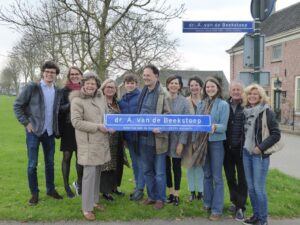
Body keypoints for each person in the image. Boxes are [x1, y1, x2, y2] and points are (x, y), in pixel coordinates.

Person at [13, 60, 63, 205]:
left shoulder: (57, 91)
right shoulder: (32, 88)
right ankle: (34, 194)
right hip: (33, 132)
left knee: (50, 163)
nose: (49, 74)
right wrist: (26, 123)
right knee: (32, 164)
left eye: (52, 72)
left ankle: (50, 190)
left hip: (49, 133)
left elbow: (58, 110)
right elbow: (17, 105)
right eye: (47, 72)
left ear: (56, 75)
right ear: (42, 73)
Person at [70, 72, 111, 221]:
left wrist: (110, 125)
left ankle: (94, 201)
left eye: (93, 83)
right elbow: (76, 122)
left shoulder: (100, 98)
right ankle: (86, 208)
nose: (90, 86)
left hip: (101, 142)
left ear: (97, 85)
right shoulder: (77, 101)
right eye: (87, 83)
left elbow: (106, 116)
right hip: (88, 143)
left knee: (97, 173)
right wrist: (98, 126)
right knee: (89, 175)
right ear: (83, 84)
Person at [242, 84, 281, 225]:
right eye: (250, 94)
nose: (252, 96)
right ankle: (256, 216)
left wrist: (260, 147)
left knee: (258, 188)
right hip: (246, 153)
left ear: (260, 96)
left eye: (255, 94)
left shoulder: (267, 112)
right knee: (251, 188)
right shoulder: (245, 111)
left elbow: (276, 134)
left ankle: (263, 220)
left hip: (259, 155)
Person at [193, 77, 229, 221]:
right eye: (207, 87)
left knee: (217, 177)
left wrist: (215, 127)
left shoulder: (223, 104)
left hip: (216, 144)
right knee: (206, 175)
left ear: (218, 88)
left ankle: (217, 209)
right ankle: (207, 203)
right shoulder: (201, 104)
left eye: (212, 86)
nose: (209, 89)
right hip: (202, 143)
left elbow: (224, 126)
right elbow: (197, 123)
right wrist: (195, 141)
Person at [137, 64, 171, 209]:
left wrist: (161, 127)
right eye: (144, 75)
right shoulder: (142, 92)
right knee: (147, 171)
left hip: (158, 140)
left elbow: (169, 116)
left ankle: (160, 199)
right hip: (143, 138)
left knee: (159, 173)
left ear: (156, 76)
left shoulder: (164, 93)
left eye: (148, 75)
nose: (146, 78)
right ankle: (151, 196)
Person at [223, 81, 248, 221]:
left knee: (243, 179)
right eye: (234, 89)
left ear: (242, 91)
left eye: (238, 89)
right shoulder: (224, 105)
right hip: (227, 148)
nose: (236, 92)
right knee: (230, 177)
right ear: (230, 91)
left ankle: (240, 207)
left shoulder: (246, 106)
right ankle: (234, 201)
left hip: (242, 149)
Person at [118, 73, 145, 201]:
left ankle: (140, 189)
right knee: (135, 163)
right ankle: (137, 187)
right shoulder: (122, 99)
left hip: (140, 136)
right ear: (124, 84)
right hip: (129, 138)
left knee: (141, 163)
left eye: (132, 83)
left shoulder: (141, 97)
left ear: (136, 84)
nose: (130, 85)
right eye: (128, 83)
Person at [165, 75, 190, 206]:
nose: (173, 85)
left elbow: (186, 123)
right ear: (168, 85)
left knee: (176, 167)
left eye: (176, 83)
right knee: (166, 167)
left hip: (177, 139)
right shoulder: (163, 99)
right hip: (164, 139)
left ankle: (176, 194)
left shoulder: (185, 102)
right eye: (171, 83)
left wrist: (182, 142)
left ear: (179, 86)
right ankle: (169, 192)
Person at [59, 66, 83, 198]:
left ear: (81, 75)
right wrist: (72, 103)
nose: (74, 76)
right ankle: (66, 186)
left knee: (81, 158)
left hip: (82, 127)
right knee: (67, 157)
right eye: (72, 74)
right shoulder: (64, 91)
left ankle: (79, 183)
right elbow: (60, 109)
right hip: (68, 127)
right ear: (69, 76)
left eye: (77, 74)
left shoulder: (85, 89)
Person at [100, 79, 125, 201]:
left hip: (117, 138)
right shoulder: (99, 102)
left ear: (116, 90)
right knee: (106, 164)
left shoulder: (118, 103)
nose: (110, 89)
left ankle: (114, 187)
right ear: (103, 89)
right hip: (105, 137)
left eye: (112, 87)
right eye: (107, 87)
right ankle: (106, 190)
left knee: (117, 163)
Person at [181, 76, 204, 202]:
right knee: (190, 166)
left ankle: (201, 192)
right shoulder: (185, 101)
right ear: (189, 88)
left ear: (201, 87)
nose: (194, 87)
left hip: (201, 139)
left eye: (196, 85)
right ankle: (192, 192)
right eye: (192, 85)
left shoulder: (206, 101)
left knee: (200, 166)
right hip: (189, 139)